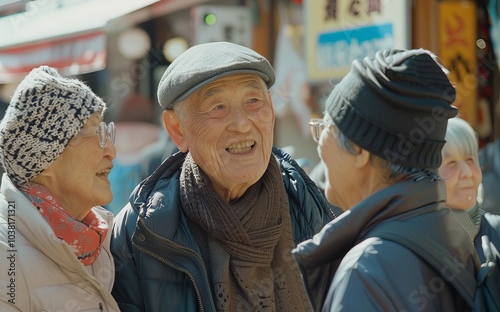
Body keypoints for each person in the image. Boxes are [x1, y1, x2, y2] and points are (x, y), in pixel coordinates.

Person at [111, 41, 335, 311]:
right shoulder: (142, 231)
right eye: (217, 107)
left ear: (271, 112)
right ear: (177, 129)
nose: (241, 124)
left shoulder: (308, 204)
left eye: (253, 101)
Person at [292, 49, 479, 311]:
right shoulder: (450, 231)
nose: (320, 143)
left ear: (359, 150)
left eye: (325, 129)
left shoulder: (368, 270)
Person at [0, 66, 120, 311]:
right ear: (44, 159)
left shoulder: (102, 239)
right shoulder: (5, 255)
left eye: (106, 131)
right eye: (96, 133)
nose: (111, 151)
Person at [439, 116, 500, 262]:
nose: (467, 173)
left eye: (470, 160)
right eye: (451, 163)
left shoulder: (496, 232)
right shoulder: (415, 242)